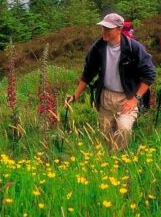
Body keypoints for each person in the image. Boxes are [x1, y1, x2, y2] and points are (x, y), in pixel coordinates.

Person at [66, 13, 156, 151]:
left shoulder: (134, 48)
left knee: (124, 129)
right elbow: (88, 73)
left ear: (119, 29)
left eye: (108, 28)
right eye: (103, 28)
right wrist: (75, 95)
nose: (104, 31)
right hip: (106, 98)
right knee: (105, 135)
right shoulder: (98, 48)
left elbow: (149, 74)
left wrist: (136, 99)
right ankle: (109, 160)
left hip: (127, 98)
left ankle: (118, 158)